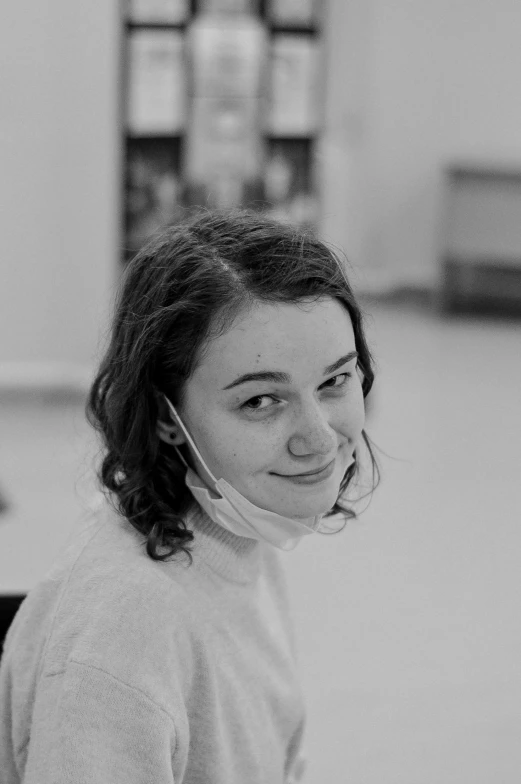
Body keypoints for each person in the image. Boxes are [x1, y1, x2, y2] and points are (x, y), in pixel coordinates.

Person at [0, 209, 379, 783]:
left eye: (334, 381)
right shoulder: (121, 643)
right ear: (166, 419)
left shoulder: (240, 528)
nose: (320, 439)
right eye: (260, 402)